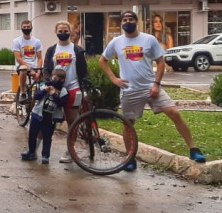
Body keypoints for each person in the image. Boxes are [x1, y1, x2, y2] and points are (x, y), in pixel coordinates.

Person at [100, 10, 205, 170]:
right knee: (128, 124)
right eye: (125, 20)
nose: (127, 22)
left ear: (136, 22)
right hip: (130, 89)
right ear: (121, 23)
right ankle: (130, 158)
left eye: (131, 19)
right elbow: (103, 61)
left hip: (150, 86)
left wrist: (156, 83)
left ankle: (194, 149)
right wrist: (114, 79)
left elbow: (161, 62)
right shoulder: (116, 42)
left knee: (174, 113)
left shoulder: (149, 40)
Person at [42, 20, 89, 164]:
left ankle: (70, 150)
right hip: (55, 89)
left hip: (73, 88)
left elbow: (83, 70)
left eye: (65, 30)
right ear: (56, 32)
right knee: (47, 120)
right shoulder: (52, 50)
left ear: (70, 32)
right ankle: (39, 150)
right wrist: (49, 85)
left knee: (72, 120)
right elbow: (46, 69)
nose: (63, 33)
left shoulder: (77, 50)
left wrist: (86, 87)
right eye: (60, 31)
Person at [21, 68, 68, 164]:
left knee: (47, 137)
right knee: (32, 134)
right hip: (37, 113)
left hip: (50, 117)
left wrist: (54, 95)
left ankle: (45, 156)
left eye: (57, 79)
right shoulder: (44, 85)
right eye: (53, 78)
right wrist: (44, 91)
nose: (54, 80)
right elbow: (36, 96)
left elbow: (62, 103)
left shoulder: (63, 91)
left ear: (62, 80)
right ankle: (31, 152)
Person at [12, 19, 43, 102]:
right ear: (21, 28)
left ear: (31, 28)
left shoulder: (37, 41)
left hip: (34, 65)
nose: (26, 28)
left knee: (45, 77)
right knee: (23, 69)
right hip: (22, 65)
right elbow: (18, 58)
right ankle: (23, 93)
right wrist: (30, 69)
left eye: (28, 27)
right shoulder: (17, 41)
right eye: (24, 27)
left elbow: (40, 58)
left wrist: (39, 71)